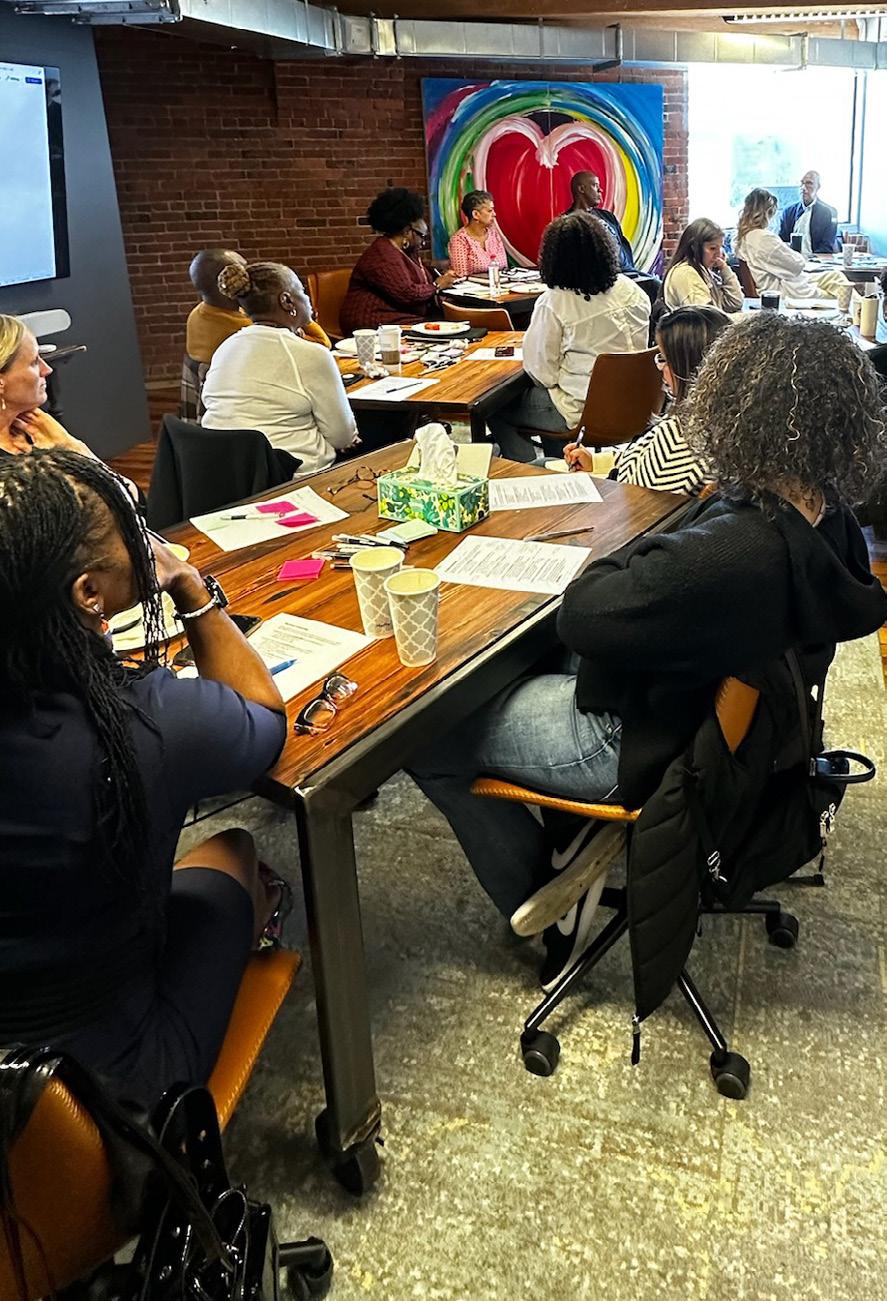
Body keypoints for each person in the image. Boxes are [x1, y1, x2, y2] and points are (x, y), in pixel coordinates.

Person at [408, 313, 887, 992]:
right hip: (710, 722)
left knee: (427, 737)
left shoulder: (733, 550)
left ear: (734, 406)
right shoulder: (825, 521)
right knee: (516, 663)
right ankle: (567, 834)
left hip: (637, 736)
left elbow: (583, 613)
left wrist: (650, 550)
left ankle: (543, 901)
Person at [0, 449, 290, 1105]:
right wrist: (189, 585)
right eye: (126, 536)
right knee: (235, 851)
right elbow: (264, 719)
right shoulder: (146, 723)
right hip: (107, 1089)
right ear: (88, 594)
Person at [487, 212, 650, 463]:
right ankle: (558, 464)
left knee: (494, 407)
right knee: (554, 397)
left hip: (582, 413)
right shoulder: (633, 291)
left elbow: (542, 375)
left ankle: (529, 472)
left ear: (554, 258)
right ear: (604, 249)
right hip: (637, 406)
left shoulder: (555, 302)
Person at [201, 261, 358, 474]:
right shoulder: (310, 354)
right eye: (302, 291)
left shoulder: (225, 347)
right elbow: (342, 438)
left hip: (226, 474)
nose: (308, 299)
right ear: (287, 301)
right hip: (290, 476)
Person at [565, 305, 731, 496]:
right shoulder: (724, 419)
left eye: (664, 360)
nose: (660, 368)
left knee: (541, 465)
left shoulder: (682, 439)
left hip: (623, 503)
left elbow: (636, 495)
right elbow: (642, 459)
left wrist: (595, 479)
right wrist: (596, 462)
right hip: (629, 490)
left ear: (687, 369)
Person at [183, 248, 330, 420]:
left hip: (219, 414)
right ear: (227, 284)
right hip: (263, 413)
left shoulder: (197, 314)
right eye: (243, 272)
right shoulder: (251, 328)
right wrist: (300, 308)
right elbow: (321, 344)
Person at [340, 188, 459, 334]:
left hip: (398, 315)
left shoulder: (406, 252)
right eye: (421, 236)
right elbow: (407, 294)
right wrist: (437, 286)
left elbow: (419, 277)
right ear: (407, 231)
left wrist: (440, 276)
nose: (423, 242)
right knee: (442, 329)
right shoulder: (383, 255)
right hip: (370, 320)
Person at [0, 315, 95, 459]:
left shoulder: (40, 431)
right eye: (34, 362)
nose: (47, 370)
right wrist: (73, 450)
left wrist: (71, 445)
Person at [735, 189, 848, 301]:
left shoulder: (744, 237)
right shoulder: (764, 238)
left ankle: (857, 308)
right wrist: (792, 252)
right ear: (766, 212)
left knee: (836, 276)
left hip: (791, 282)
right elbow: (797, 265)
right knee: (842, 289)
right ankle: (855, 309)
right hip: (787, 291)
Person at [662, 219, 743, 313]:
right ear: (694, 247)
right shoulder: (686, 274)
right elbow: (708, 317)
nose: (718, 254)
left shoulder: (702, 270)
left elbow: (734, 303)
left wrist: (724, 268)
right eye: (712, 248)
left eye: (720, 248)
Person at [566, 171, 636, 273]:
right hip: (603, 277)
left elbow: (623, 244)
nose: (600, 190)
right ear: (581, 189)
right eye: (595, 185)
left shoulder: (608, 216)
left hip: (629, 273)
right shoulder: (568, 223)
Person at [447, 190, 508, 278]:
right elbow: (461, 276)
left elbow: (505, 268)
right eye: (489, 211)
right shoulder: (459, 240)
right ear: (475, 214)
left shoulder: (494, 235)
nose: (494, 214)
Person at [778, 171, 838, 256]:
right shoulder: (788, 212)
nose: (803, 187)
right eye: (802, 183)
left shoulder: (829, 213)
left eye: (809, 183)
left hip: (817, 259)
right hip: (792, 259)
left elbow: (827, 246)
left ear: (818, 187)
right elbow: (782, 242)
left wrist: (812, 259)